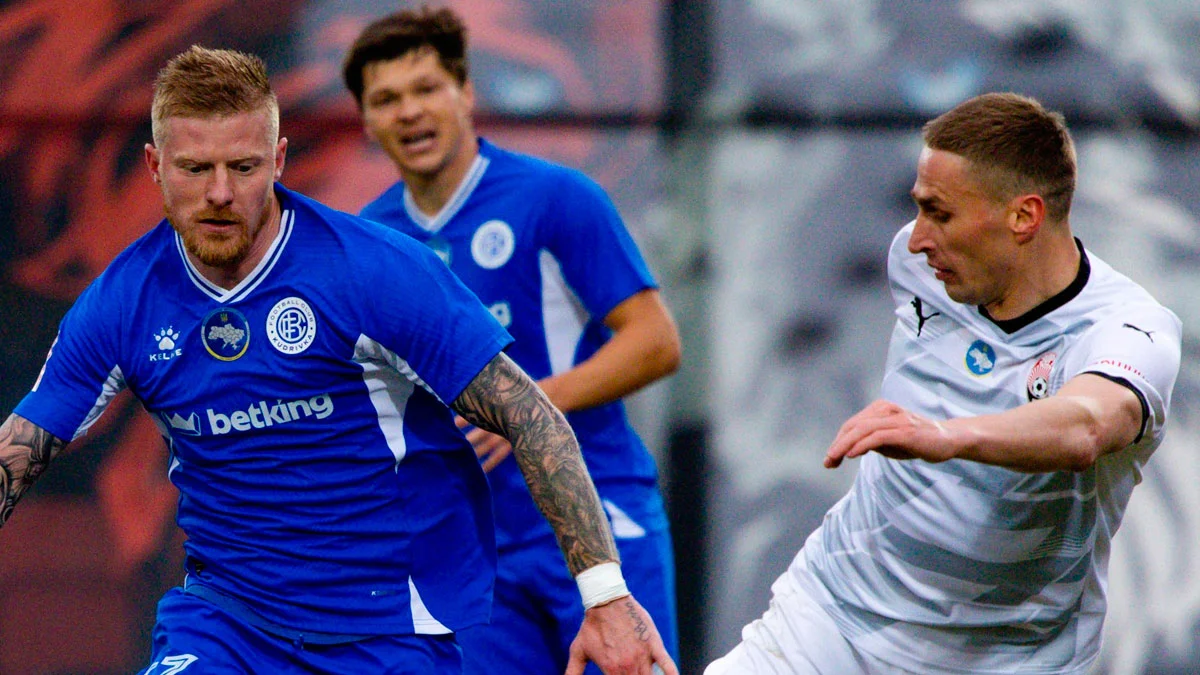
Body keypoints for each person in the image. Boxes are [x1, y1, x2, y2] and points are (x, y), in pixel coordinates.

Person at [0, 45, 676, 675]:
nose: (220, 193)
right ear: (155, 166)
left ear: (279, 159)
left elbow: (531, 415)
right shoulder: (121, 303)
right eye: (195, 168)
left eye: (243, 167)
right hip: (226, 622)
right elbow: (24, 445)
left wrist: (606, 596)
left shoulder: (372, 271)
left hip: (386, 629)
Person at [707, 92, 1182, 674]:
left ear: (1024, 217)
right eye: (919, 208)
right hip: (833, 620)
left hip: (1008, 657)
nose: (916, 238)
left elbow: (1086, 425)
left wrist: (947, 435)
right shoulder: (921, 267)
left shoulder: (1131, 328)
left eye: (940, 213)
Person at [341, 7, 683, 675]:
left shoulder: (556, 198)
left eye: (426, 88)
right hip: (473, 547)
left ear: (466, 93)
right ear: (365, 121)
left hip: (604, 519)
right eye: (386, 99)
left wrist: (525, 411)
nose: (409, 112)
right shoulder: (369, 243)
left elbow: (656, 341)